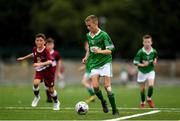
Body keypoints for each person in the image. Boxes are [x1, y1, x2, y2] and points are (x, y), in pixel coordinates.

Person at [82, 15, 119, 115]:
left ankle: (115, 109)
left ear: (96, 24)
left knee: (107, 87)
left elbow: (109, 51)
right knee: (95, 87)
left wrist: (99, 51)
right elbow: (90, 49)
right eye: (87, 26)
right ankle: (103, 102)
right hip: (94, 64)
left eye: (89, 25)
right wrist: (86, 57)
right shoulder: (88, 35)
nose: (88, 28)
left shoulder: (103, 35)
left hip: (106, 63)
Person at [17, 33, 60, 110]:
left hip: (48, 72)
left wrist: (39, 63)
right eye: (37, 40)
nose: (39, 42)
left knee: (51, 90)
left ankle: (56, 102)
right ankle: (37, 97)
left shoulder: (46, 51)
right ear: (35, 41)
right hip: (39, 70)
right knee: (36, 83)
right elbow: (33, 54)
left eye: (41, 40)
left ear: (44, 42)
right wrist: (23, 58)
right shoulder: (34, 49)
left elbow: (50, 62)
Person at [133, 34, 158, 108]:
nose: (147, 43)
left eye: (148, 42)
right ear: (143, 43)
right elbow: (135, 62)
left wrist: (155, 61)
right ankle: (142, 102)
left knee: (151, 86)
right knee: (142, 89)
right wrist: (143, 65)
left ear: (151, 42)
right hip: (142, 72)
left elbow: (155, 57)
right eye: (145, 42)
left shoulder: (154, 51)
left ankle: (149, 99)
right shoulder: (140, 52)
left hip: (150, 70)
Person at [45, 37, 65, 102]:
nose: (50, 46)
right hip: (45, 71)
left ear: (53, 45)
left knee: (51, 85)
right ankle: (49, 97)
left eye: (51, 44)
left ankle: (51, 97)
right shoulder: (44, 52)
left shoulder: (56, 53)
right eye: (48, 44)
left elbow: (59, 62)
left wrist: (58, 71)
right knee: (46, 85)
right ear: (46, 45)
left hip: (52, 72)